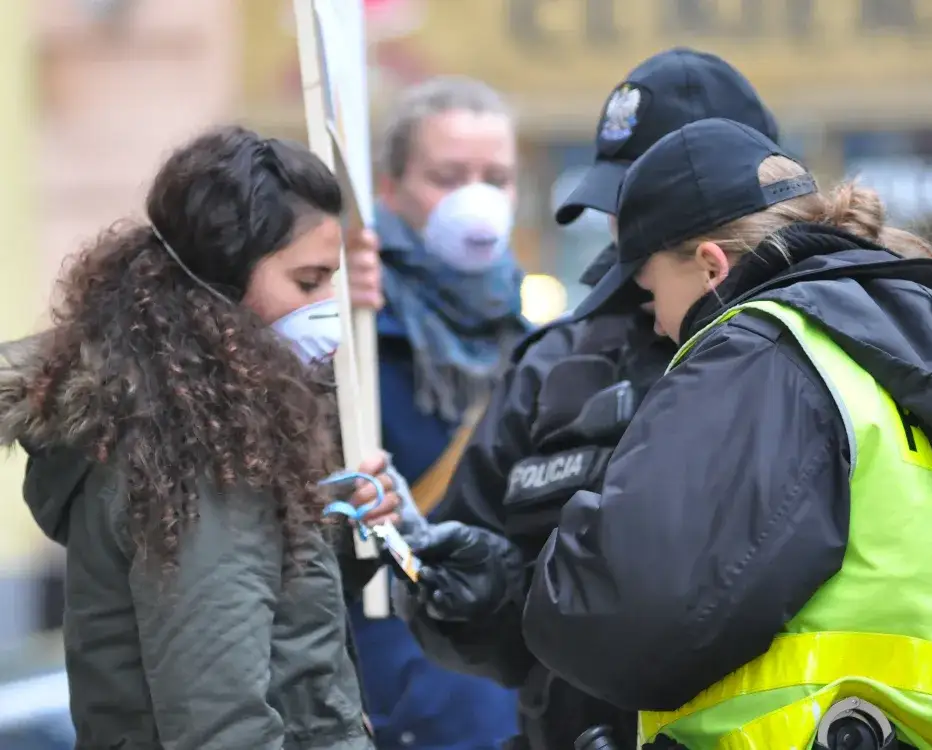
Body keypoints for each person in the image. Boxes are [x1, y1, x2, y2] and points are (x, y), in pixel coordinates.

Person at [518, 117, 932, 749]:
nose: (660, 328)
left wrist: (570, 525)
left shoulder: (761, 351)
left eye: (651, 293)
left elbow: (624, 619)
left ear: (712, 265)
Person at [396, 49, 779, 750]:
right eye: (614, 206)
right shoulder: (557, 363)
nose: (622, 232)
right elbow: (477, 615)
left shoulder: (815, 347)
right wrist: (476, 599)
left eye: (646, 206)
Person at [0, 125, 406, 750]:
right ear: (219, 285)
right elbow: (223, 723)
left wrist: (342, 539)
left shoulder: (212, 429)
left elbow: (271, 632)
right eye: (308, 282)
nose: (328, 305)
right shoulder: (201, 457)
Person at [349, 76, 527, 750]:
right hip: (399, 700)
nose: (477, 199)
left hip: (512, 698)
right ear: (390, 191)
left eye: (497, 177)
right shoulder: (348, 336)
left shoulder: (535, 341)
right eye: (448, 177)